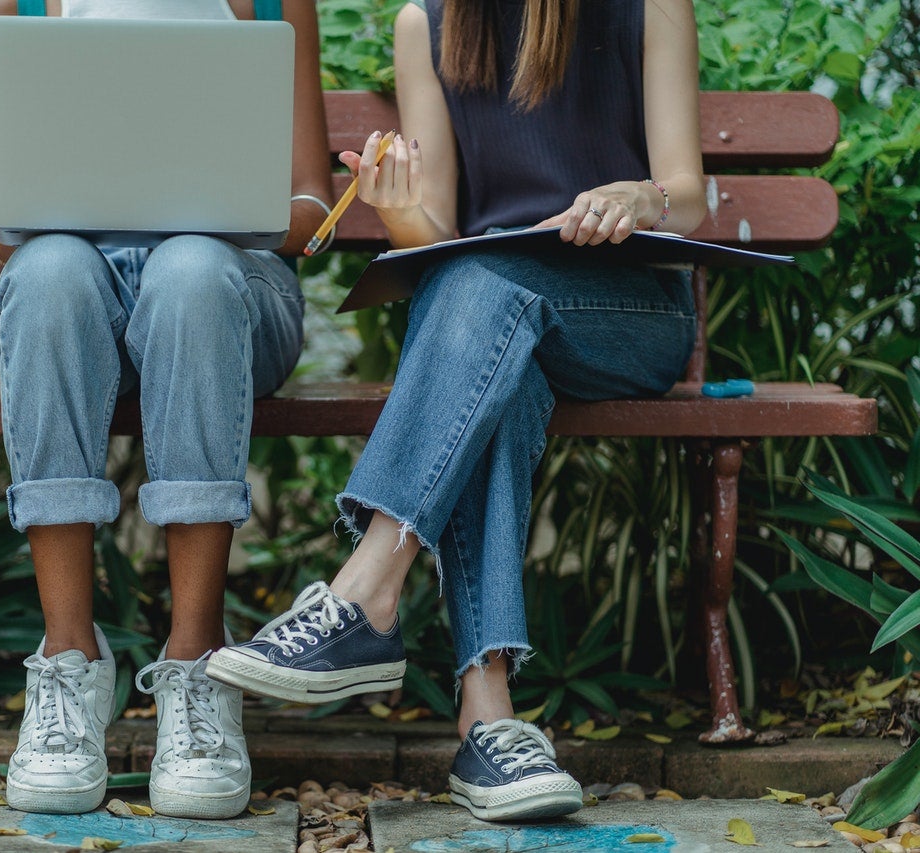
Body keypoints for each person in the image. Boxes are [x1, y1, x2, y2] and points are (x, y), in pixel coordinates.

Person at [207, 0, 706, 822]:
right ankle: (488, 721)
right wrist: (394, 204)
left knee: (477, 291)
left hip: (626, 311)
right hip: (491, 327)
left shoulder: (649, 6)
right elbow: (432, 227)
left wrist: (641, 198)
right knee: (487, 339)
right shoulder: (426, 22)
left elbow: (687, 195)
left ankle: (365, 594)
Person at [0, 0, 332, 818]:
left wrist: (241, 215)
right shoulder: (13, 9)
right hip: (75, 291)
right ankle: (67, 665)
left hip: (232, 292)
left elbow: (312, 200)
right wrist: (41, 220)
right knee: (51, 275)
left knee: (191, 270)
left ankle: (198, 666)